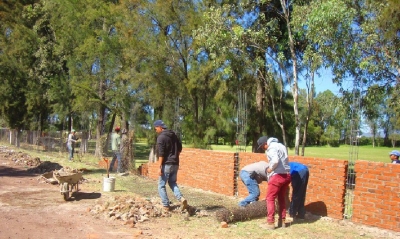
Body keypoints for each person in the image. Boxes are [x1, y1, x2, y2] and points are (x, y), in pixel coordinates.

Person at [257, 136, 291, 230]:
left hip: (277, 176)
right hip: (287, 175)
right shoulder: (281, 146)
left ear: (265, 144)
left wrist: (270, 169)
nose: (263, 149)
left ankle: (270, 222)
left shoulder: (271, 147)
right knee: (281, 198)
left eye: (262, 147)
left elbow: (275, 160)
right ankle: (282, 220)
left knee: (270, 198)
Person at [154, 119, 188, 211]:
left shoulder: (161, 137)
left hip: (166, 164)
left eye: (155, 128)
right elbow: (180, 148)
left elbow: (161, 153)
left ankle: (165, 205)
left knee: (161, 185)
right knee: (172, 182)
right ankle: (181, 198)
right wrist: (174, 157)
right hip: (175, 163)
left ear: (160, 127)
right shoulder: (174, 135)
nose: (155, 130)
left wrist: (159, 166)